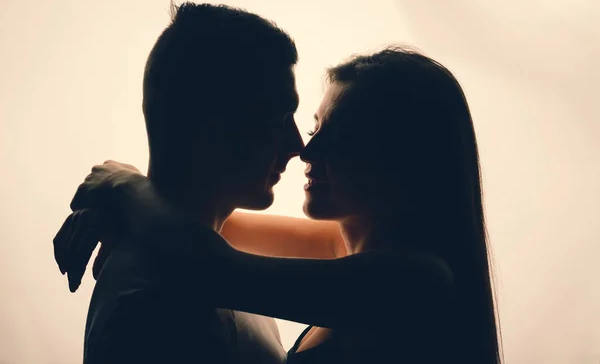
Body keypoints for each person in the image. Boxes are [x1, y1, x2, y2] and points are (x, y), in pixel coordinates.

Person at [56, 46, 503, 363]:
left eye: (342, 136)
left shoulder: (418, 283)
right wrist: (121, 198)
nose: (308, 152)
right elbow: (202, 220)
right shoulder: (347, 248)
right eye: (316, 127)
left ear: (404, 161)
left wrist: (124, 186)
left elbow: (212, 269)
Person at [54, 1, 306, 364]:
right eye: (280, 117)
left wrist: (130, 192)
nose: (298, 145)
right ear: (209, 126)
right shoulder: (152, 308)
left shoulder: (202, 257)